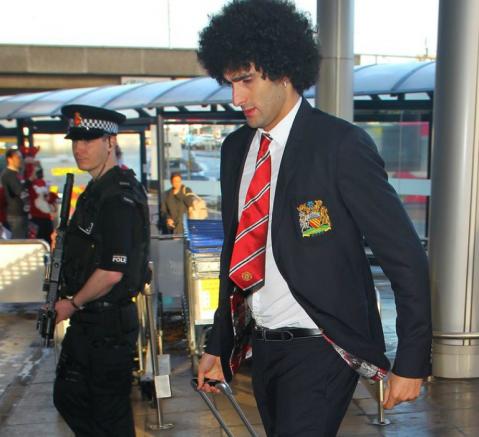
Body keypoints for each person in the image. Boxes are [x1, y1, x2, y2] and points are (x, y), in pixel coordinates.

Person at [195, 1, 432, 436]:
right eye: (230, 83)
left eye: (246, 80)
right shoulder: (235, 151)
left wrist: (413, 359)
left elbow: (405, 258)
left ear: (283, 71)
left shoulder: (340, 146)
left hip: (321, 350)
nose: (236, 98)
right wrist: (219, 343)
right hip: (262, 349)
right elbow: (237, 251)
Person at [53, 104, 150, 437]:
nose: (79, 148)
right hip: (91, 322)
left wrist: (71, 303)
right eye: (75, 140)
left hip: (106, 325)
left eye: (89, 139)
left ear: (111, 141)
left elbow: (112, 271)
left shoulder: (117, 196)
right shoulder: (96, 192)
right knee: (71, 397)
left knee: (109, 419)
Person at [0, 148, 29, 238]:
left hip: (21, 213)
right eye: (18, 157)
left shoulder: (17, 173)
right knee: (18, 241)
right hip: (15, 214)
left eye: (21, 157)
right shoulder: (8, 174)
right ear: (10, 159)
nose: (20, 160)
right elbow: (18, 190)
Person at [29, 165, 57, 244]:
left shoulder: (30, 185)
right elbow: (52, 201)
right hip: (46, 219)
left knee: (37, 243)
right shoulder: (46, 184)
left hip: (35, 219)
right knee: (47, 242)